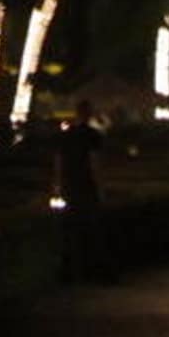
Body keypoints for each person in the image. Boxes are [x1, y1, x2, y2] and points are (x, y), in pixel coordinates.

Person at [54, 99, 109, 282]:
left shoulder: (66, 135)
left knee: (70, 230)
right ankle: (90, 270)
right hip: (87, 187)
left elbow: (59, 162)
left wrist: (58, 186)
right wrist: (100, 188)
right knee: (91, 230)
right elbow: (95, 163)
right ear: (89, 113)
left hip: (70, 186)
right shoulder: (93, 136)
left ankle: (69, 271)